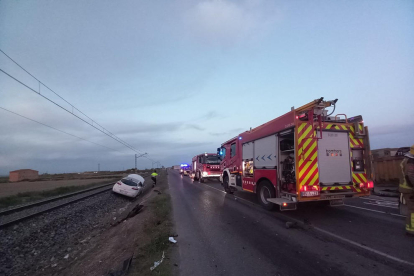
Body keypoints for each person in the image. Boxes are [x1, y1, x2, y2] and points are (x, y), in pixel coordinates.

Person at [399, 144, 414, 236]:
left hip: (407, 188)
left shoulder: (407, 160)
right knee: (412, 210)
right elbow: (410, 176)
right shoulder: (410, 162)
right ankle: (411, 229)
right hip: (409, 189)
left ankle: (410, 227)